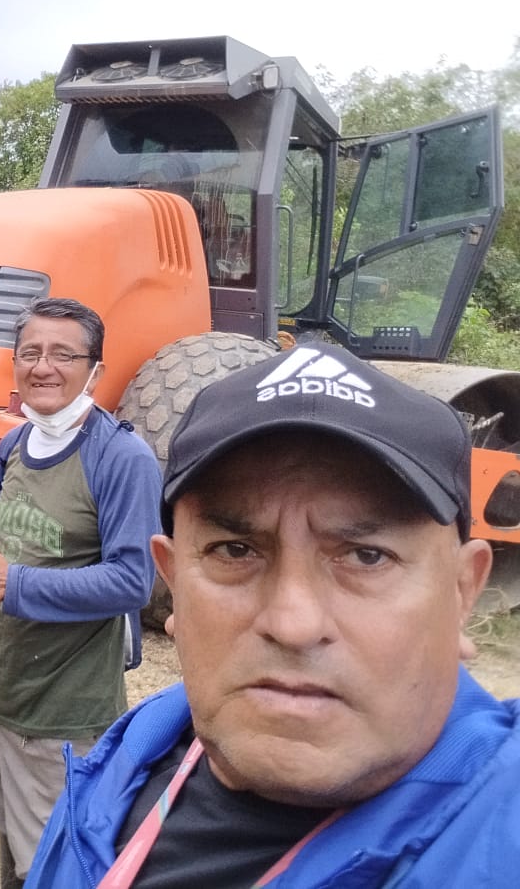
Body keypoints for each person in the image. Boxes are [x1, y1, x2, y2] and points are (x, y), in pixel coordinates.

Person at [26, 344, 520, 888]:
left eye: (366, 556)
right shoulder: (128, 758)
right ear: (173, 585)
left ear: (461, 591)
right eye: (235, 550)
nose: (293, 624)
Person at [0, 297, 161, 887]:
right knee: (14, 842)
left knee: (57, 863)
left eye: (63, 354)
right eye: (30, 352)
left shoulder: (121, 458)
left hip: (64, 715)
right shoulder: (14, 445)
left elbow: (133, 580)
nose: (43, 366)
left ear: (95, 371)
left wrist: (18, 583)